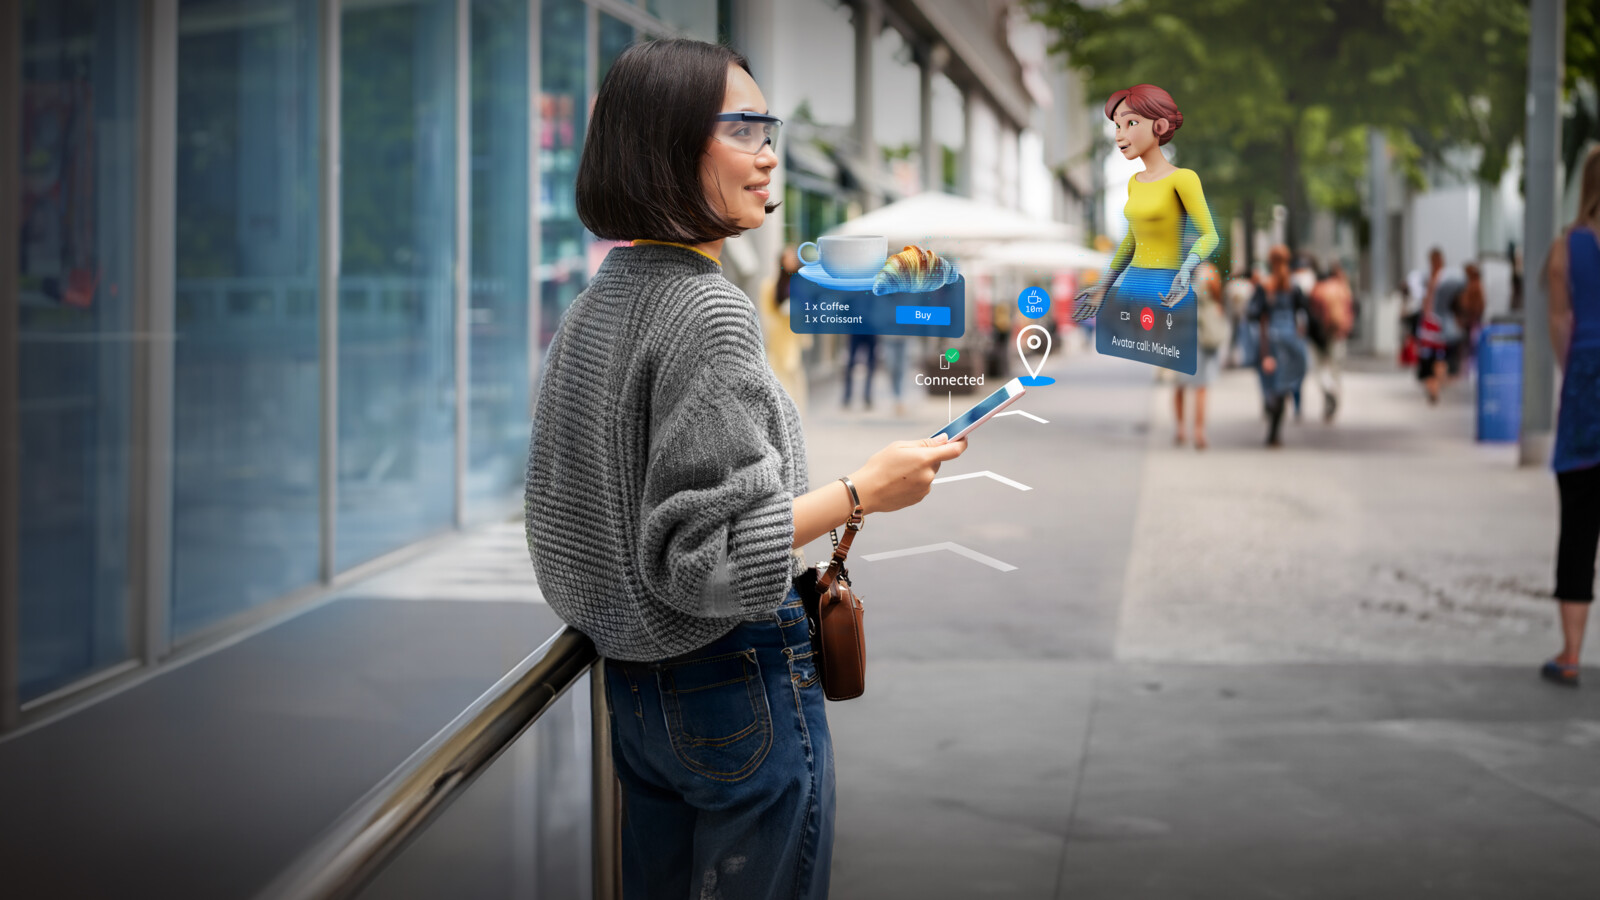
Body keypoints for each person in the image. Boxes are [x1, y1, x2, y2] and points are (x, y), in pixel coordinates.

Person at [524, 39, 967, 896]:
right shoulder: (710, 311)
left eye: (771, 128)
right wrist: (860, 493)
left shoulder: (593, 305)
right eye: (744, 129)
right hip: (733, 682)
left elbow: (583, 520)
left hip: (635, 691)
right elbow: (708, 559)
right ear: (668, 144)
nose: (771, 154)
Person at [1073, 84, 1219, 368]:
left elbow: (1210, 234)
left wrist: (1187, 268)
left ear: (1160, 126)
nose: (1120, 135)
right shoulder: (1134, 182)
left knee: (1176, 366)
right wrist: (1104, 286)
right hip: (1133, 287)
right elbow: (1131, 239)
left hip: (1166, 285)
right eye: (1117, 126)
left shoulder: (1184, 179)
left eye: (1131, 123)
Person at [1541, 145, 1600, 687]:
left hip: (1586, 394)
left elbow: (1560, 323)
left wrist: (1578, 364)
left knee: (1579, 526)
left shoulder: (1566, 249)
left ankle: (1572, 655)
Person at [1250, 245, 1310, 447]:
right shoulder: (1294, 287)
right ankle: (1275, 431)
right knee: (1283, 386)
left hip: (1270, 342)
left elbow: (1254, 315)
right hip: (1290, 342)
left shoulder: (1265, 286)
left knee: (1269, 385)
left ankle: (1271, 417)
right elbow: (1305, 313)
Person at [1174, 261, 1224, 449]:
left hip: (1181, 335)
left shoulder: (1178, 276)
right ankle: (1198, 431)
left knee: (1180, 384)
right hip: (1202, 337)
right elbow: (1218, 300)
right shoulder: (1210, 272)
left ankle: (1181, 428)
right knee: (1201, 386)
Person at [760, 245, 811, 410]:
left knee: (794, 375)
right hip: (778, 340)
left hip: (793, 339)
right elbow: (767, 313)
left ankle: (796, 411)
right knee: (779, 376)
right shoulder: (770, 286)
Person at [1309, 262, 1354, 422]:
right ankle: (1333, 393)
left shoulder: (1318, 289)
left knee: (1319, 369)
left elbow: (1312, 314)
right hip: (1338, 333)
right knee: (1336, 369)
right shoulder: (1344, 290)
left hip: (1320, 335)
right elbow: (1349, 313)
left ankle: (1327, 391)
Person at [842, 332, 878, 409]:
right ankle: (847, 397)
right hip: (856, 330)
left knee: (871, 365)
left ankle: (867, 397)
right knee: (850, 364)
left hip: (870, 330)